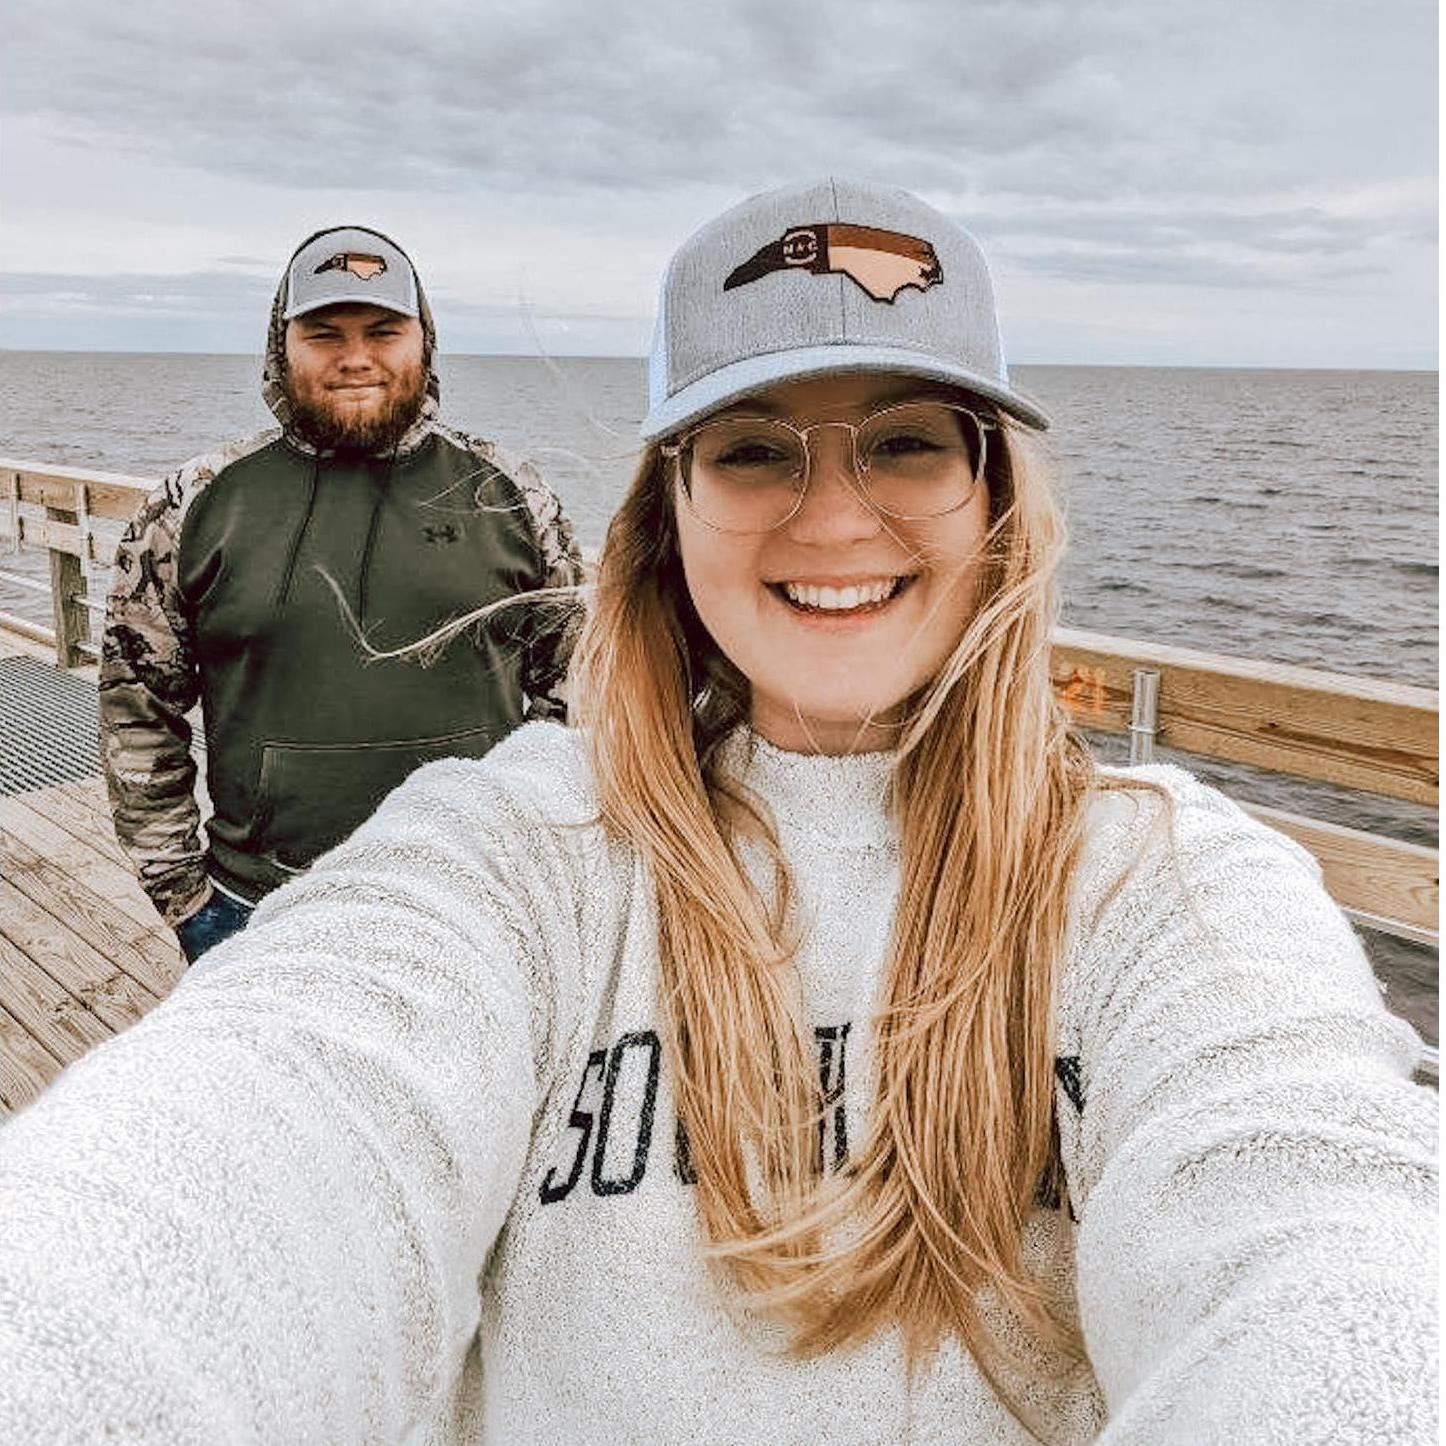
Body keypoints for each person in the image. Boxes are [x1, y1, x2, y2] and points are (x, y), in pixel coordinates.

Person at [2, 180, 1435, 1442]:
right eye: (751, 446)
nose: (830, 520)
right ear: (668, 511)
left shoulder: (1166, 884)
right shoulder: (523, 857)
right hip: (270, 896)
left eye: (906, 442)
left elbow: (1317, 1230)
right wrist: (191, 895)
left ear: (996, 494)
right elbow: (254, 1148)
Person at [98, 224, 584, 962]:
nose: (356, 357)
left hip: (481, 901)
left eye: (383, 331)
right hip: (260, 908)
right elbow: (138, 710)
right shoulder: (193, 504)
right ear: (280, 344)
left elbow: (577, 696)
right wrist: (183, 897)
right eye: (324, 333)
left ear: (422, 339)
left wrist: (551, 861)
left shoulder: (512, 494)